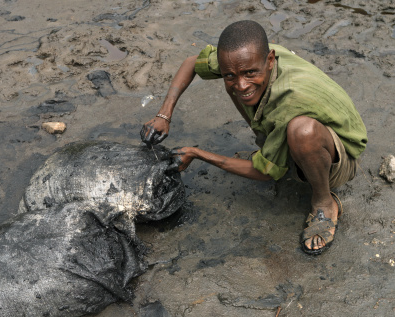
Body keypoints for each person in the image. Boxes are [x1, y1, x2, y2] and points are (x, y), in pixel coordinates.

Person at [140, 20, 367, 255]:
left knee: (302, 131)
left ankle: (324, 203)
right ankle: (273, 150)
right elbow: (191, 63)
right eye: (231, 74)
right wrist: (163, 114)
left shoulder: (289, 101)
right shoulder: (245, 57)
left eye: (250, 73)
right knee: (240, 88)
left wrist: (198, 154)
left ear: (270, 60)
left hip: (339, 157)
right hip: (294, 125)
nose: (241, 83)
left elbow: (264, 174)